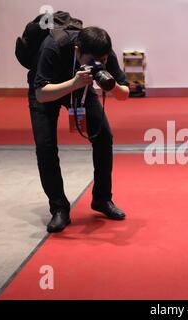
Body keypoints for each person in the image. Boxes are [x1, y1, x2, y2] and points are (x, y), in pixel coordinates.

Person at [28, 26, 130, 233]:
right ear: (77, 51)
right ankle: (59, 209)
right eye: (92, 60)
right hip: (48, 89)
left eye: (101, 60)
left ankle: (102, 199)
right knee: (45, 147)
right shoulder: (53, 47)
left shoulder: (104, 53)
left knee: (104, 137)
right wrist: (74, 83)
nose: (97, 64)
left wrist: (112, 86)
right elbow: (40, 94)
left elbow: (124, 94)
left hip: (80, 87)